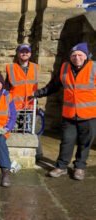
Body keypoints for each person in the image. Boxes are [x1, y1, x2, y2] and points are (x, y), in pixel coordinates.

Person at [32, 42, 95, 180]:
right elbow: (54, 85)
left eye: (80, 55)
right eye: (74, 55)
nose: (76, 58)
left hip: (89, 115)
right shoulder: (65, 68)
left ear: (85, 56)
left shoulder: (94, 67)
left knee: (85, 143)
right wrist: (39, 93)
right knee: (67, 141)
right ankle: (61, 167)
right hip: (70, 114)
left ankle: (79, 167)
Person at [5, 43, 42, 159]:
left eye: (27, 51)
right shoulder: (11, 68)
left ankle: (33, 156)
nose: (24, 53)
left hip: (30, 106)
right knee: (13, 131)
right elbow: (6, 87)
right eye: (22, 51)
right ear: (18, 53)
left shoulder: (36, 67)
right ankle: (12, 155)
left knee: (28, 131)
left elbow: (35, 87)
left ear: (30, 54)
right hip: (14, 106)